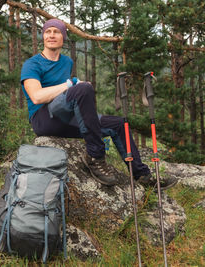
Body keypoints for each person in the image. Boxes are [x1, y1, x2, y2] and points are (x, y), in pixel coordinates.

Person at [20, 18, 176, 188]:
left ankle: (142, 176)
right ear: (43, 36)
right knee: (84, 87)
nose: (51, 35)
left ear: (63, 36)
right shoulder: (32, 64)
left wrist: (76, 89)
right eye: (47, 31)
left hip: (65, 116)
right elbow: (36, 96)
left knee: (119, 124)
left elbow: (71, 99)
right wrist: (70, 83)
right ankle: (95, 157)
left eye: (56, 31)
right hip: (43, 119)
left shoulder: (67, 62)